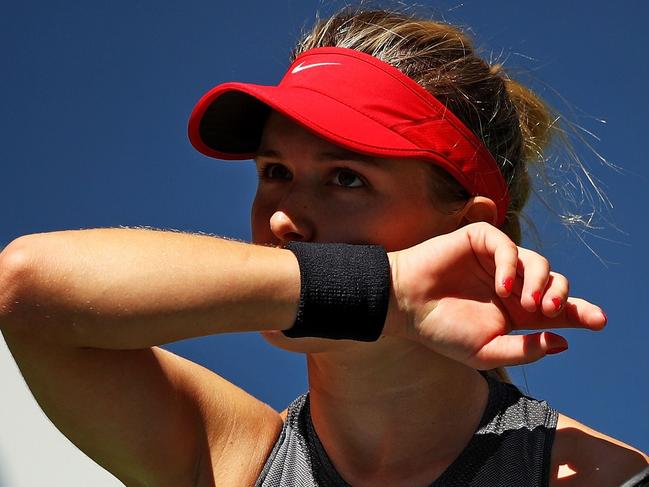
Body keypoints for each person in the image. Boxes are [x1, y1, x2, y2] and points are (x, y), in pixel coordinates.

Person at [0, 6, 647, 487]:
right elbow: (25, 288)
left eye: (345, 178)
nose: (283, 218)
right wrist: (384, 293)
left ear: (463, 230)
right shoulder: (233, 458)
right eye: (274, 171)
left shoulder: (591, 473)